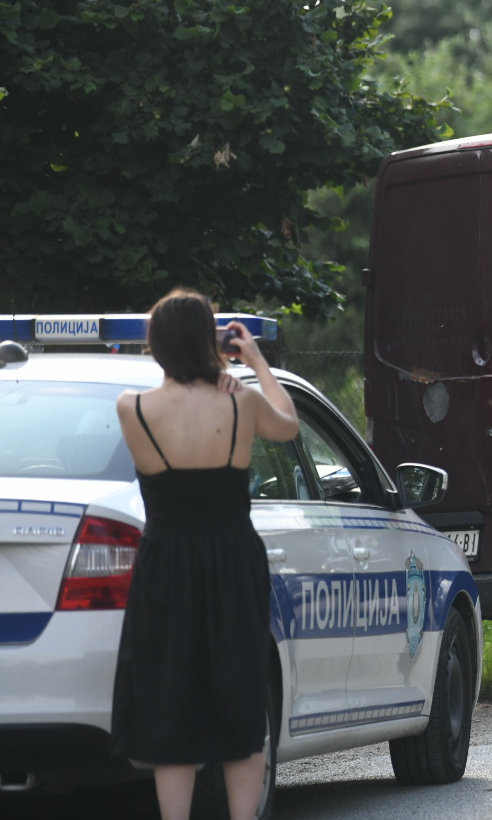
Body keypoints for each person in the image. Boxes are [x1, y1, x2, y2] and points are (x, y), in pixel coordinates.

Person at [110, 289, 300, 820]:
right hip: (233, 561)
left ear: (157, 344)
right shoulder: (239, 400)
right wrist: (255, 360)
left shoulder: (132, 408)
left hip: (165, 565)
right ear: (208, 340)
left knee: (170, 699)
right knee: (238, 696)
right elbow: (288, 425)